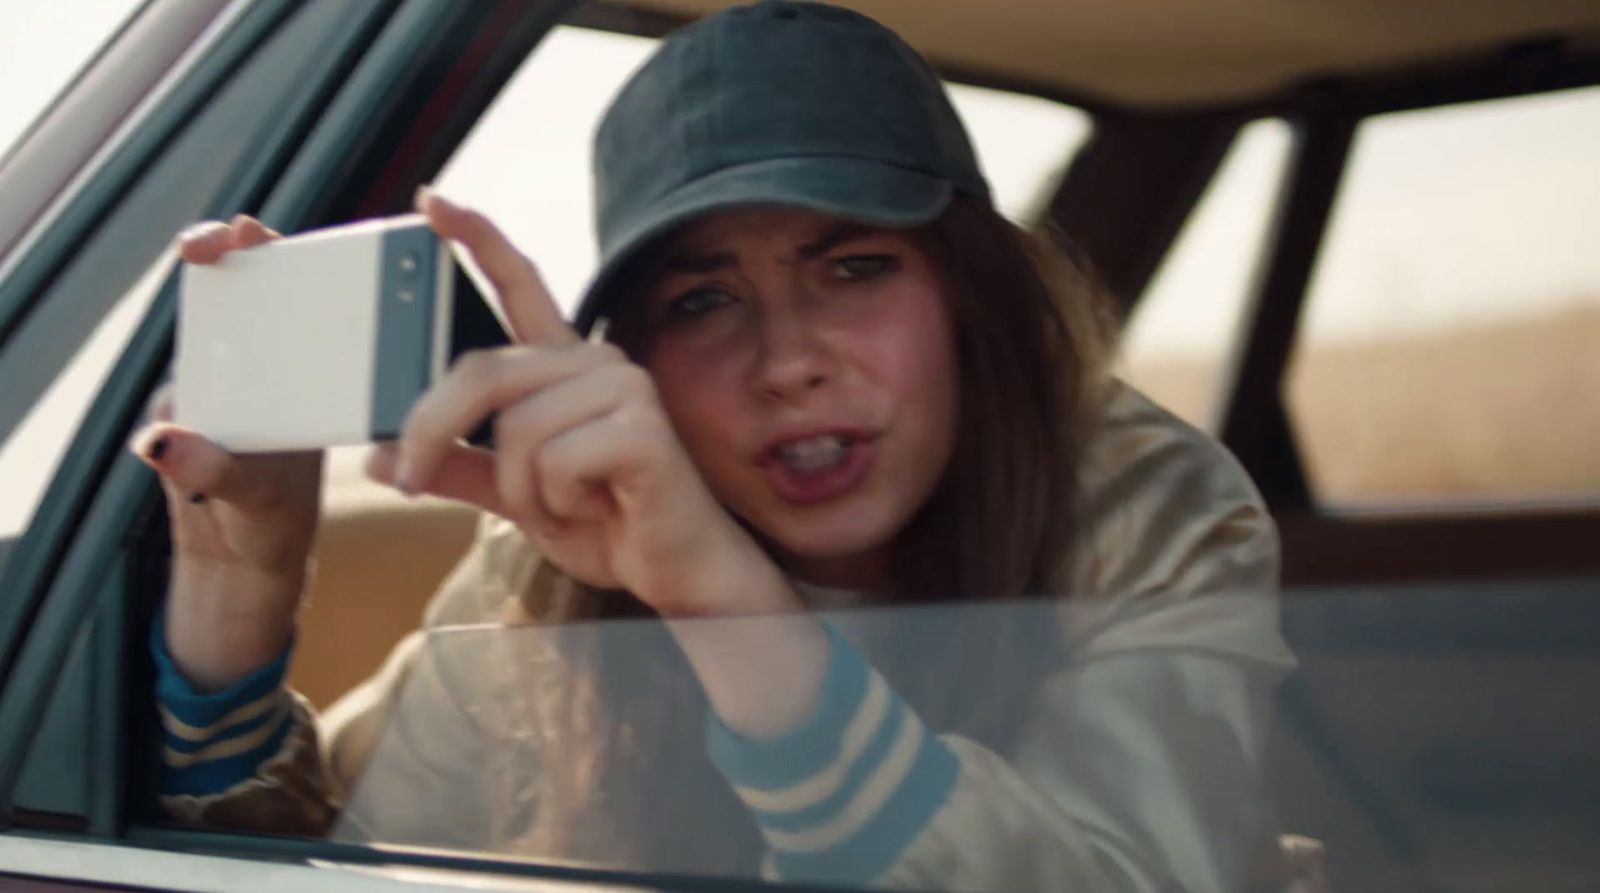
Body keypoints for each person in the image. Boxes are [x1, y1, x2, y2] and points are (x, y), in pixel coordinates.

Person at [130, 2, 1324, 890]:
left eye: (853, 267)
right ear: (634, 357)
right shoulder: (567, 550)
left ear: (971, 297)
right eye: (702, 300)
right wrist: (241, 601)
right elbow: (341, 859)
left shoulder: (1139, 498)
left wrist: (723, 605)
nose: (787, 359)